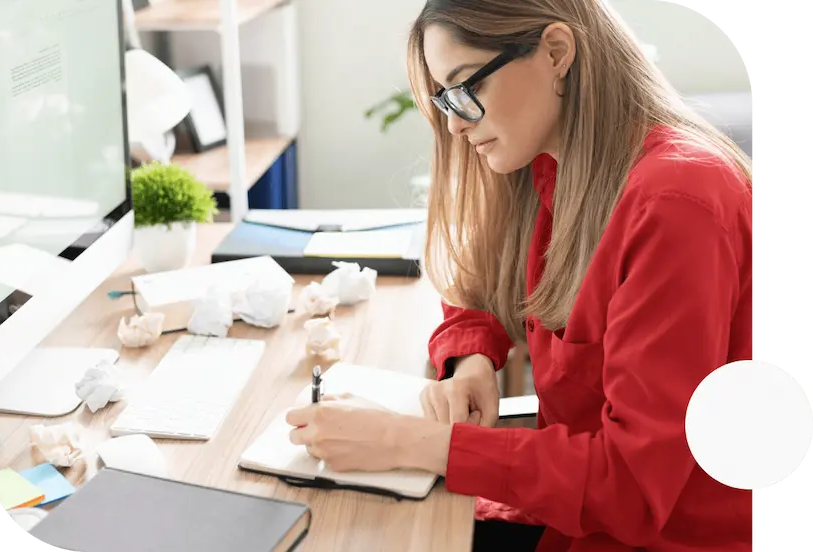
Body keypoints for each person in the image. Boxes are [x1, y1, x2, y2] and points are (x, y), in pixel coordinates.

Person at [285, 0, 756, 550]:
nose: (456, 124)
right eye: (444, 98)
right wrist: (470, 361)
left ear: (556, 52)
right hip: (570, 512)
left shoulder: (677, 201)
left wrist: (406, 442)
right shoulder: (546, 159)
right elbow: (481, 283)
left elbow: (633, 486)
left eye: (466, 89)